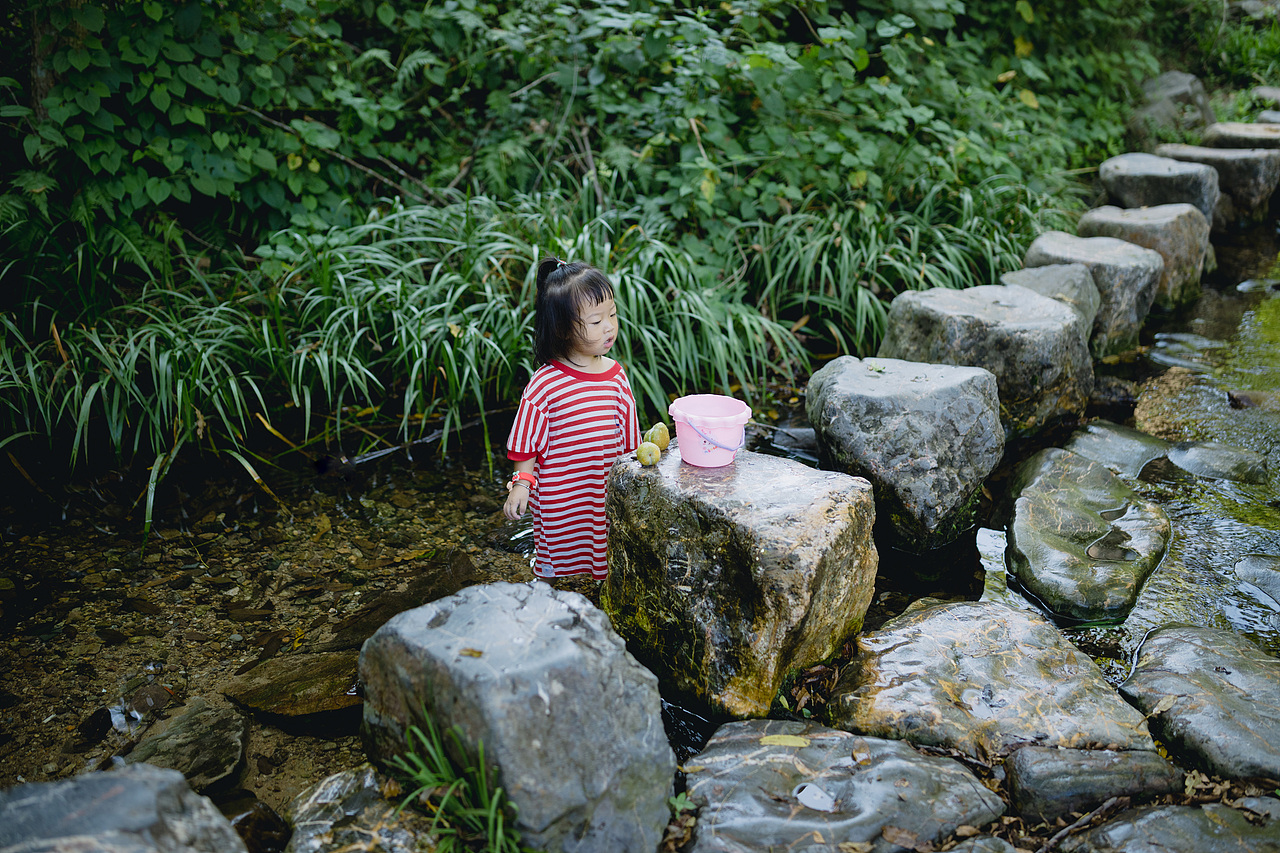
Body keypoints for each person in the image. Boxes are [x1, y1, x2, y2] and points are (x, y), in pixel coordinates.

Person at [503, 257, 641, 580]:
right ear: (563, 330)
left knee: (603, 548)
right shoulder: (546, 383)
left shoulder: (616, 376)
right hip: (560, 496)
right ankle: (548, 592)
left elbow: (630, 438)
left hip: (602, 489)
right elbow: (526, 441)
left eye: (612, 314)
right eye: (596, 321)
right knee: (556, 554)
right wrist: (521, 484)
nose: (609, 326)